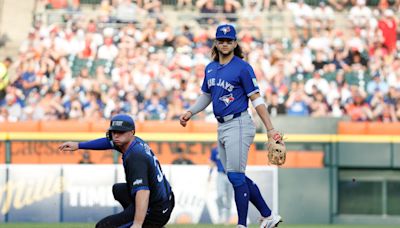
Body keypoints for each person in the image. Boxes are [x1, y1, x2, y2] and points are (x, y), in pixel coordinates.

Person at [179, 24, 282, 228]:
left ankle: (242, 224)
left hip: (239, 122)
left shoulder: (242, 67)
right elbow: (206, 95)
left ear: (235, 43)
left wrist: (270, 128)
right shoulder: (210, 67)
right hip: (222, 126)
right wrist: (191, 111)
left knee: (235, 175)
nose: (225, 43)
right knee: (235, 176)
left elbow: (256, 98)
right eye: (221, 40)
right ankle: (268, 215)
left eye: (229, 40)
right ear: (216, 43)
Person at [59, 114, 174, 228]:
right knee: (118, 190)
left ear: (132, 132)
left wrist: (137, 224)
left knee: (103, 226)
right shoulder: (132, 142)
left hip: (156, 209)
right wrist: (79, 145)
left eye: (121, 132)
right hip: (164, 198)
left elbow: (143, 192)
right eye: (114, 132)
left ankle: (145, 222)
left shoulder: (135, 156)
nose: (116, 136)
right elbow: (106, 142)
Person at [208, 146, 233, 224]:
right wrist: (210, 173)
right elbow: (212, 162)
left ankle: (227, 220)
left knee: (229, 198)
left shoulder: (232, 149)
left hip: (231, 174)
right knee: (219, 195)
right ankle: (221, 212)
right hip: (221, 174)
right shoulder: (215, 150)